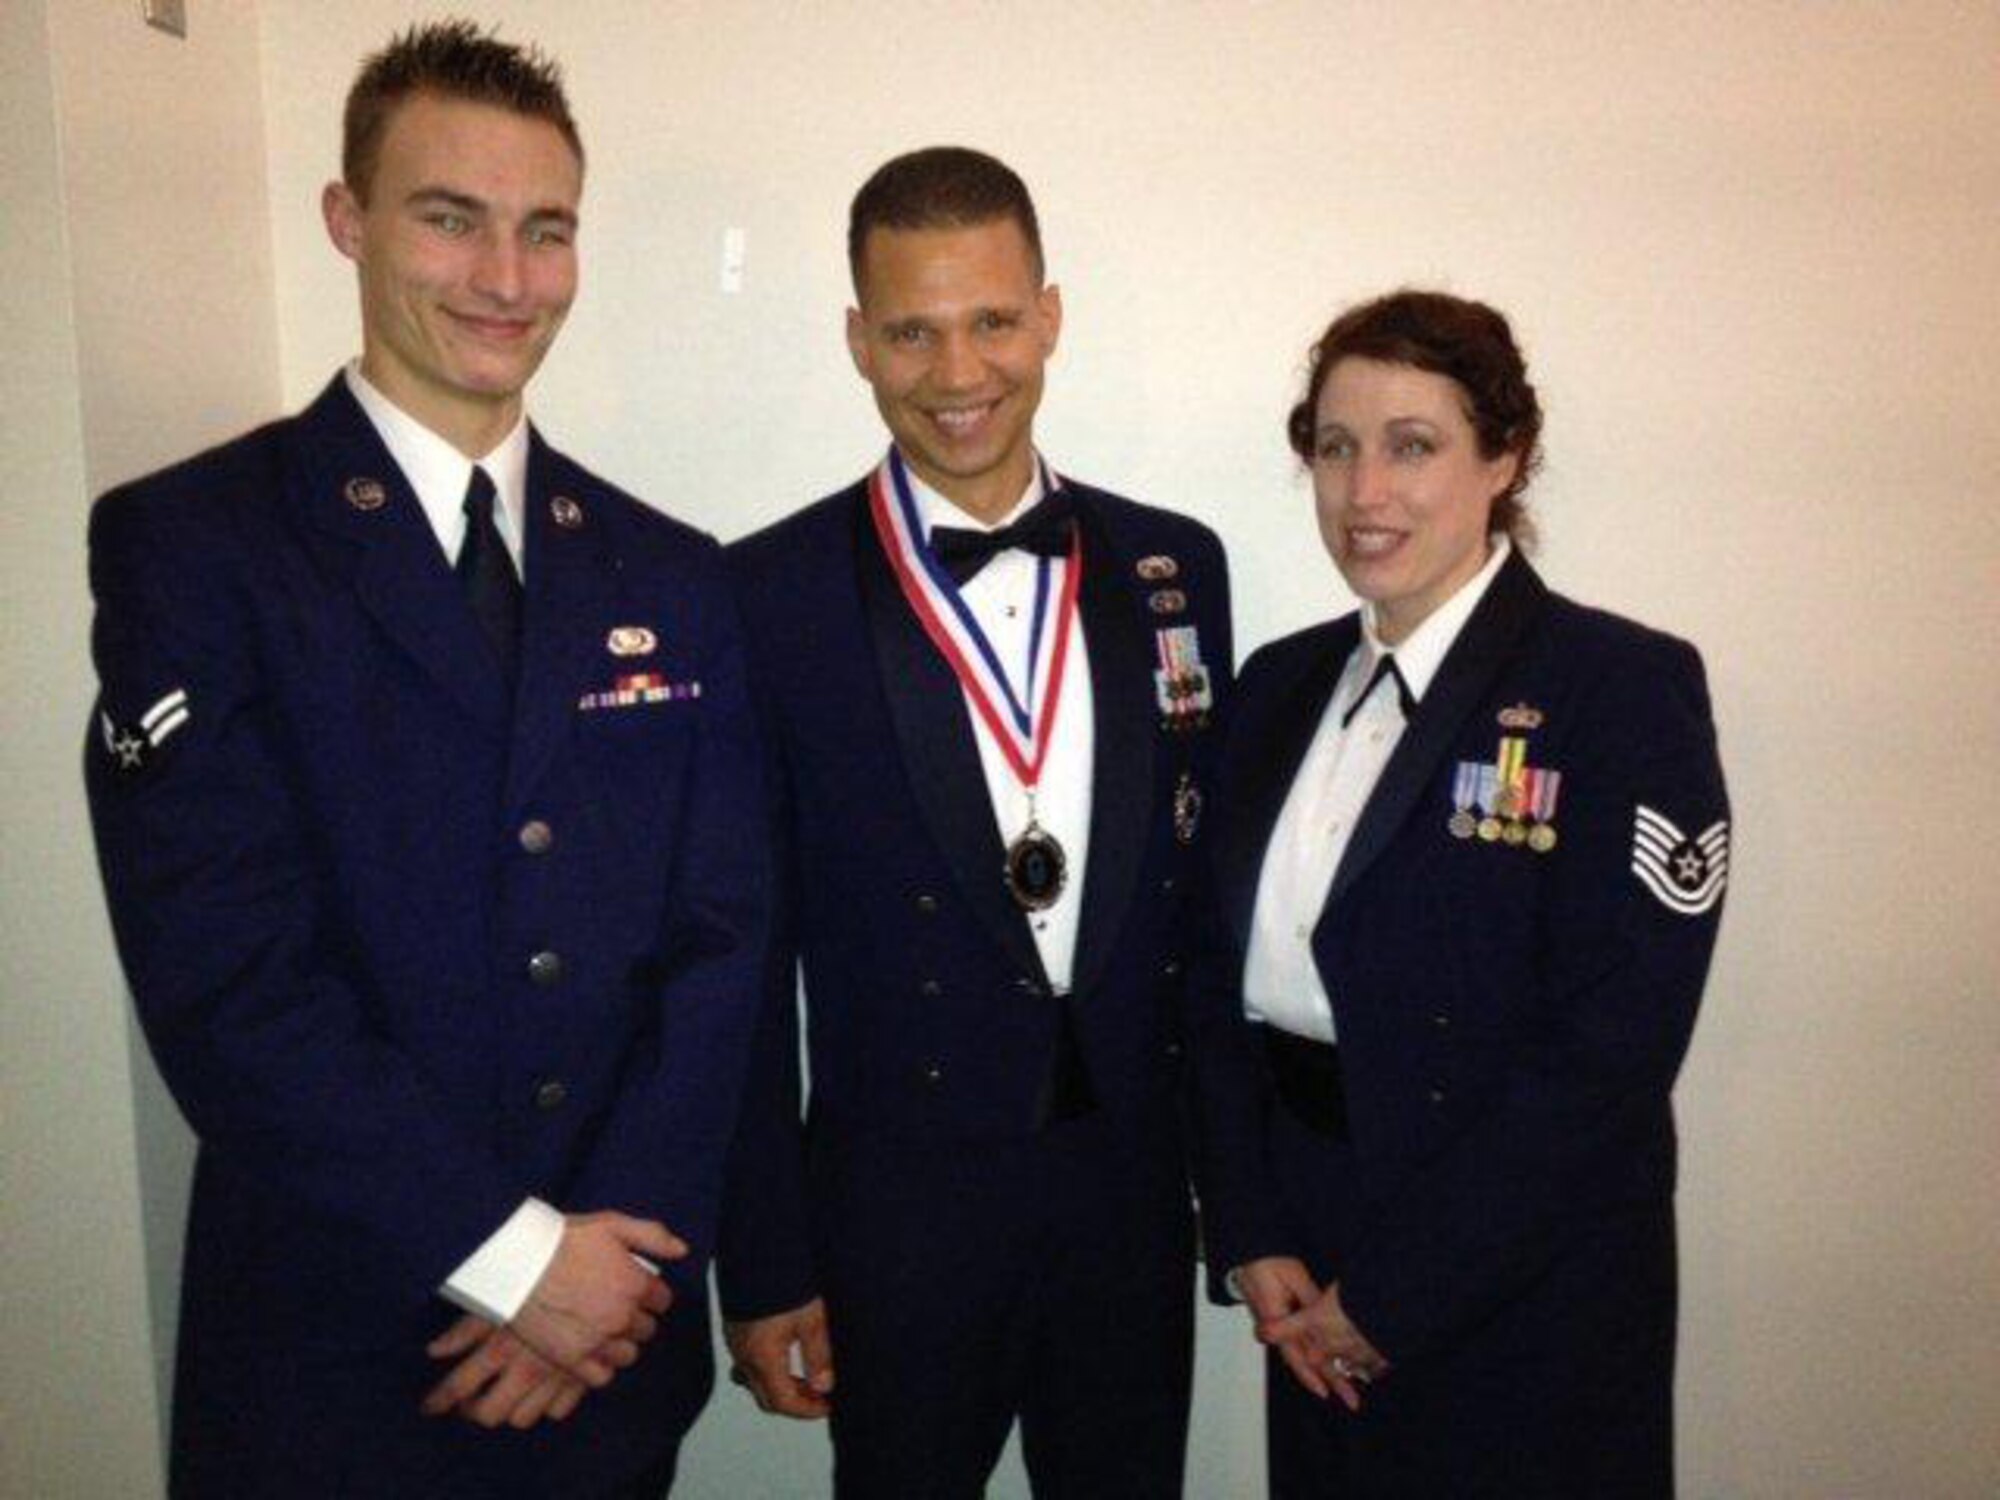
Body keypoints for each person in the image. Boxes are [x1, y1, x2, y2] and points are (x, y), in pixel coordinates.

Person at [83, 21, 765, 1497]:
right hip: (337, 1351)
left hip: (608, 1353)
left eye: (545, 231)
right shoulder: (199, 547)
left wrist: (606, 1269)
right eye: (450, 220)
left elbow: (720, 953)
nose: (506, 280)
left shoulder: (670, 572)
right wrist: (516, 1261)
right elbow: (229, 982)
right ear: (349, 219)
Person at [716, 146, 1231, 1497]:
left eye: (994, 321)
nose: (960, 373)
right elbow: (744, 967)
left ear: (1049, 316)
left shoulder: (1176, 569)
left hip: (1126, 1215)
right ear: (856, 342)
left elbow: (1206, 926)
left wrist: (1246, 1208)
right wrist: (765, 1263)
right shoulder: (763, 598)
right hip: (890, 1235)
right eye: (913, 332)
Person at [1190, 290, 1730, 1498]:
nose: (1363, 490)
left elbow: (1610, 1052)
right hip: (1307, 1255)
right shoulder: (1276, 690)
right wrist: (1251, 1232)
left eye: (1411, 444)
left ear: (1504, 457)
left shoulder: (1618, 691)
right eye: (1333, 448)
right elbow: (1211, 990)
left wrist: (1390, 1297)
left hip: (1523, 1276)